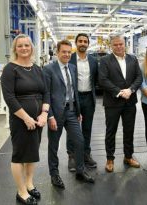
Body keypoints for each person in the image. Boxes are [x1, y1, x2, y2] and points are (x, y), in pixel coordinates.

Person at [1, 34, 49, 205]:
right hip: (20, 119)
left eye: (26, 45)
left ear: (31, 48)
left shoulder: (37, 69)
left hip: (38, 119)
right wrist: (26, 118)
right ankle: (21, 192)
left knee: (32, 153)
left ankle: (29, 184)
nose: (24, 49)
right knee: (20, 155)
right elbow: (9, 97)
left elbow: (46, 92)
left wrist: (44, 113)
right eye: (20, 46)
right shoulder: (10, 69)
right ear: (15, 49)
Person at [44, 40, 95, 188]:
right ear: (57, 52)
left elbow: (74, 92)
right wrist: (50, 116)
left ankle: (80, 171)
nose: (66, 54)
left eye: (68, 52)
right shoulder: (49, 69)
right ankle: (54, 175)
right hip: (56, 113)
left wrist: (78, 111)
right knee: (53, 146)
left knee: (79, 141)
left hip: (71, 111)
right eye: (63, 52)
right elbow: (46, 94)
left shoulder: (72, 68)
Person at [98, 35, 143, 172]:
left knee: (129, 130)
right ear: (111, 46)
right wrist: (119, 92)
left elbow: (138, 77)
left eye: (121, 44)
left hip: (130, 101)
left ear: (125, 44)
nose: (118, 46)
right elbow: (103, 80)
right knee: (111, 131)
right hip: (113, 102)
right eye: (115, 44)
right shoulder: (105, 60)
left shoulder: (132, 59)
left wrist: (131, 90)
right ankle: (110, 159)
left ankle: (128, 156)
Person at [65, 33, 98, 172]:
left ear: (88, 44)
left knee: (87, 128)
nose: (83, 43)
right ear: (76, 43)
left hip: (89, 98)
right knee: (73, 128)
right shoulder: (70, 59)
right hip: (73, 99)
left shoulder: (93, 60)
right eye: (80, 41)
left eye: (85, 41)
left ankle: (85, 154)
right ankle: (72, 156)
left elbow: (95, 79)